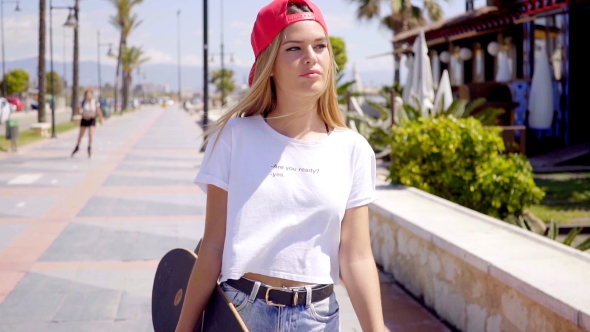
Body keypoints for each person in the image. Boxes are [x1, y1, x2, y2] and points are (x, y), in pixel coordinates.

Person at [176, 1, 385, 331]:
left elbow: (356, 255)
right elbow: (213, 245)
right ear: (269, 63)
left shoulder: (353, 149)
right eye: (294, 48)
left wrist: (376, 328)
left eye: (320, 46)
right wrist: (183, 328)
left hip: (317, 318)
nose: (310, 56)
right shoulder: (234, 137)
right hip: (241, 312)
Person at [71, 89, 104, 158]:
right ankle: (77, 146)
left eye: (89, 94)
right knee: (81, 134)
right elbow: (78, 110)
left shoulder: (95, 102)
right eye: (87, 95)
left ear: (91, 95)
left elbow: (98, 110)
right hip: (84, 119)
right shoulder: (83, 102)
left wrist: (101, 118)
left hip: (92, 119)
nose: (88, 96)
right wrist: (83, 115)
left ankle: (89, 146)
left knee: (91, 134)